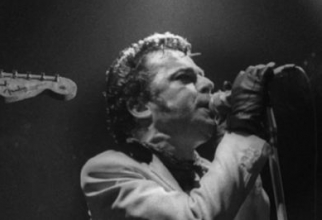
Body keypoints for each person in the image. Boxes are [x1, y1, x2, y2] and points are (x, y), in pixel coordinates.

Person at [81, 32, 272, 220]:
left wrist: (233, 138)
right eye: (184, 77)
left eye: (202, 76)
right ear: (139, 106)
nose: (209, 84)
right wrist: (241, 133)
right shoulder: (106, 171)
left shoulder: (212, 172)